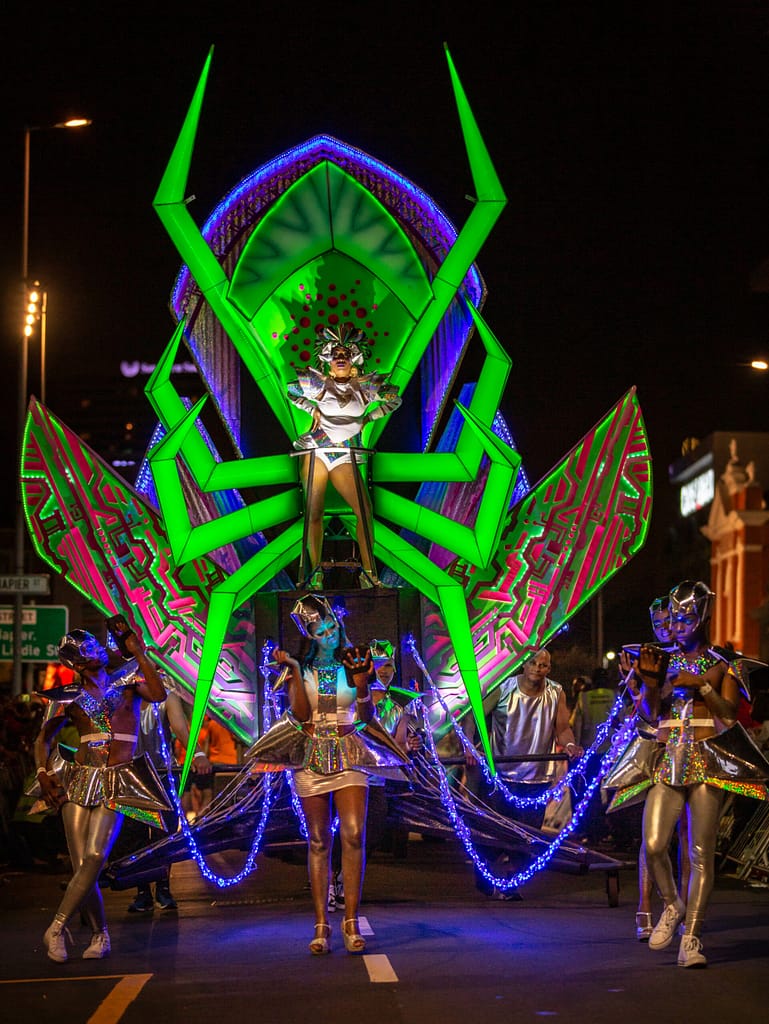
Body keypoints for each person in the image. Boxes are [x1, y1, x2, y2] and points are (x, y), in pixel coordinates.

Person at [245, 595, 409, 954]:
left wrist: (362, 685)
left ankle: (349, 920)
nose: (330, 635)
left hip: (350, 750)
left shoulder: (354, 660)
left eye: (332, 627)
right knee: (319, 840)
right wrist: (291, 669)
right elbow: (301, 716)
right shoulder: (301, 668)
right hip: (312, 755)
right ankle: (321, 924)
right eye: (321, 632)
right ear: (311, 636)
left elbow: (366, 716)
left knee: (353, 833)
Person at [637, 580, 769, 967]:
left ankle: (691, 938)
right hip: (669, 758)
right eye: (674, 619)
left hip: (707, 760)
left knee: (699, 853)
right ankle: (672, 905)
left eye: (687, 618)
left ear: (703, 617)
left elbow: (730, 714)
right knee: (655, 843)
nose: (678, 626)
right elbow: (649, 714)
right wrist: (649, 684)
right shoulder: (661, 659)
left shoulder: (721, 663)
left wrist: (702, 688)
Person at [33, 628, 170, 962]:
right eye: (89, 649)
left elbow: (159, 693)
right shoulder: (67, 697)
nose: (97, 650)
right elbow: (42, 740)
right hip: (79, 779)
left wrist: (138, 653)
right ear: (78, 664)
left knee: (95, 858)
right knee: (81, 865)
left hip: (117, 779)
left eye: (95, 644)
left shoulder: (129, 685)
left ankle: (57, 925)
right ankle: (100, 934)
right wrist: (43, 773)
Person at [287, 323, 401, 589]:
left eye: (345, 355)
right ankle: (314, 573)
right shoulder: (320, 384)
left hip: (344, 455)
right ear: (328, 360)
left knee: (364, 510)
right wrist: (311, 410)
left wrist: (367, 418)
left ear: (353, 361)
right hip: (318, 450)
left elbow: (394, 399)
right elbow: (291, 391)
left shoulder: (365, 387)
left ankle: (369, 573)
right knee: (314, 512)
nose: (340, 358)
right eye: (336, 354)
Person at [613, 595, 690, 941]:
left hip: (686, 746)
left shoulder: (690, 656)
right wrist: (638, 684)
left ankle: (684, 908)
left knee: (688, 834)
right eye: (657, 624)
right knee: (653, 834)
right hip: (651, 747)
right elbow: (643, 709)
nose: (664, 629)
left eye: (667, 622)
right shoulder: (643, 657)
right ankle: (646, 905)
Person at [124, 690, 213, 913]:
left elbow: (180, 728)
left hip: (162, 774)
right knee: (136, 835)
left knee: (165, 833)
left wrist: (198, 754)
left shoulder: (165, 696)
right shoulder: (123, 695)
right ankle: (142, 890)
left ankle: (163, 887)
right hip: (131, 776)